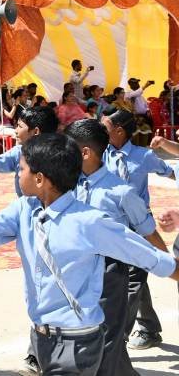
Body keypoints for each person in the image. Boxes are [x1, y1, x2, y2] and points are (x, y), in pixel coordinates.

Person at [0, 133, 179, 376]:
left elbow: (147, 256)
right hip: (42, 337)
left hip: (78, 340)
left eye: (21, 169)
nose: (18, 174)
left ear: (40, 179)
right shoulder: (25, 209)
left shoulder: (89, 222)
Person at [64, 119, 169, 374]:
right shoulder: (68, 182)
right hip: (76, 268)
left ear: (85, 153)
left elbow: (147, 230)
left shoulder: (121, 192)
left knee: (107, 337)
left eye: (69, 149)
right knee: (89, 336)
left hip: (110, 272)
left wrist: (170, 263)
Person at [101, 109, 175, 350]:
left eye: (105, 126)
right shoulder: (101, 154)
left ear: (119, 131)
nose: (101, 130)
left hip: (140, 225)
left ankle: (116, 338)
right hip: (113, 226)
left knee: (134, 279)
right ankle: (149, 327)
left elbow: (170, 172)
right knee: (127, 276)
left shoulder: (144, 156)